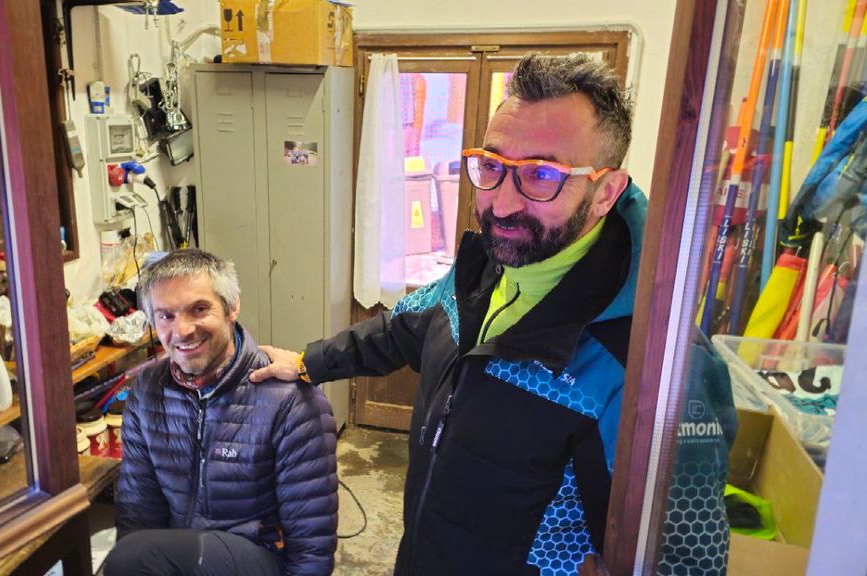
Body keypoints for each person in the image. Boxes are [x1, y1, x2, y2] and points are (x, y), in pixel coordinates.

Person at [251, 54, 649, 575]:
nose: (501, 205)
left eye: (542, 174)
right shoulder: (479, 271)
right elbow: (397, 331)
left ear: (606, 192)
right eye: (492, 166)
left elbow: (676, 552)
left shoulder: (644, 360)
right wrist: (308, 362)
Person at [106, 249, 338, 576]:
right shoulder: (147, 391)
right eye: (166, 316)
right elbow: (139, 511)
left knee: (132, 557)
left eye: (199, 309)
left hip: (259, 557)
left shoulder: (291, 399)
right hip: (183, 554)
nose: (182, 330)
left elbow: (312, 544)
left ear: (232, 307)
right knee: (129, 555)